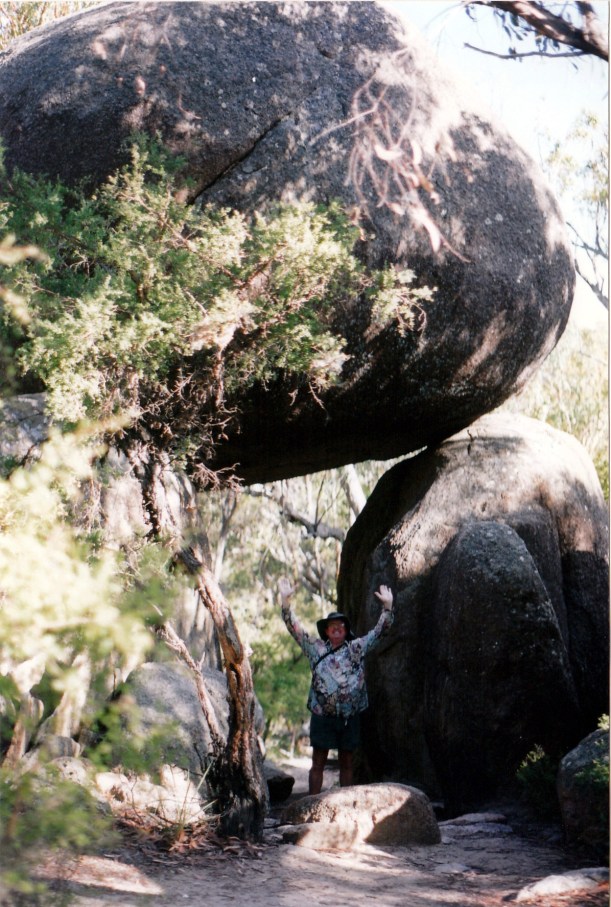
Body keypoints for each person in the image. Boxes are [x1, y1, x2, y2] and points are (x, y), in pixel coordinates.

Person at [279, 577, 394, 795]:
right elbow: (295, 630)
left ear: (345, 630)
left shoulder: (356, 648)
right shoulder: (315, 649)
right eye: (332, 626)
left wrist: (387, 607)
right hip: (323, 715)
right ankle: (311, 804)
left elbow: (379, 633)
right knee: (318, 761)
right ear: (326, 631)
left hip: (349, 716)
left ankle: (345, 804)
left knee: (347, 762)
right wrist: (286, 604)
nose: (337, 629)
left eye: (341, 626)